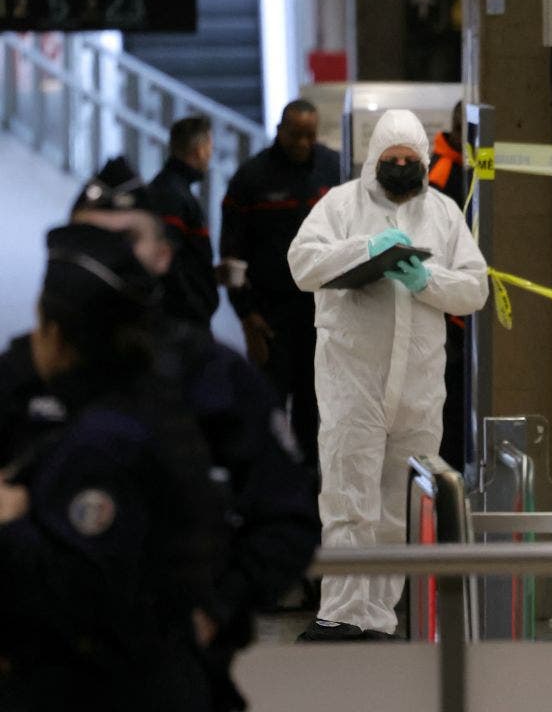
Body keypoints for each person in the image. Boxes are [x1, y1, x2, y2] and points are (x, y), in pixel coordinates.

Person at [1, 157, 322, 710]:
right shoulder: (22, 372)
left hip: (164, 667)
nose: (102, 258)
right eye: (87, 241)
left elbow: (287, 514)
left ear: (163, 255)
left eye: (124, 241)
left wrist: (213, 611)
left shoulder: (210, 376)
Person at [0, 225, 222, 710]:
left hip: (113, 685)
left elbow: (88, 586)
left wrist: (16, 519)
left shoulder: (104, 439)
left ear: (56, 337)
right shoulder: (143, 406)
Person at [288, 109, 489, 640]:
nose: (400, 167)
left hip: (419, 388)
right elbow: (302, 263)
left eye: (410, 160)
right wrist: (363, 249)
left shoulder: (444, 214)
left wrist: (426, 280)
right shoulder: (340, 204)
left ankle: (379, 615)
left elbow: (475, 288)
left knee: (401, 505)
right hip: (353, 380)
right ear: (372, 160)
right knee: (348, 497)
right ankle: (341, 612)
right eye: (390, 160)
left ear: (424, 160)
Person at [220, 99, 341, 468]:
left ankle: (307, 488)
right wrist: (245, 315)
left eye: (309, 135)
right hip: (269, 317)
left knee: (313, 405)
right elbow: (232, 256)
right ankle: (268, 483)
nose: (303, 143)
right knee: (268, 405)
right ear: (279, 131)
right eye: (295, 135)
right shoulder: (251, 178)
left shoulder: (332, 168)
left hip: (319, 314)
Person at [427, 100, 468, 471]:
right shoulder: (440, 176)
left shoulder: (473, 170)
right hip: (448, 312)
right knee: (451, 401)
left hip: (467, 305)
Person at [149, 116, 218, 328]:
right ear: (199, 150)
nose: (210, 155)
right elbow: (168, 262)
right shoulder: (172, 195)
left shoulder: (173, 189)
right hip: (182, 321)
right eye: (209, 148)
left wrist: (210, 274)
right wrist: (195, 306)